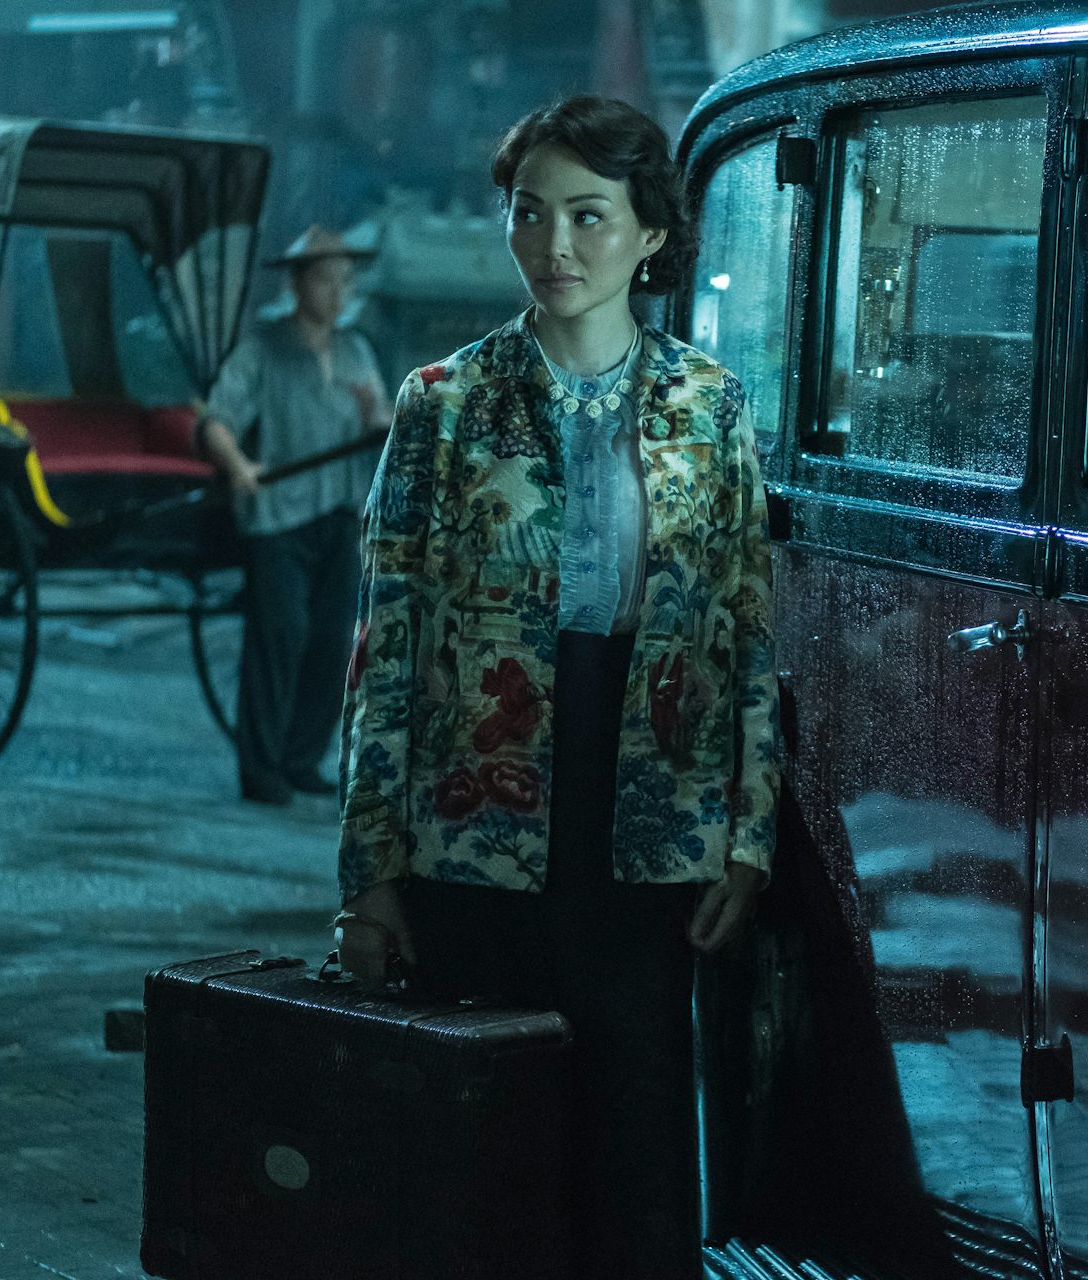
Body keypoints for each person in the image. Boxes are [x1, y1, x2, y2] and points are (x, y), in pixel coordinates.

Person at [333, 96, 780, 1278]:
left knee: (637, 1156)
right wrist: (370, 874)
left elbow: (744, 632)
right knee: (485, 1152)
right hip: (476, 825)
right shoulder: (444, 403)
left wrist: (747, 835)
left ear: (650, 236)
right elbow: (386, 648)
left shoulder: (711, 406)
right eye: (531, 213)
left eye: (590, 215)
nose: (555, 245)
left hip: (650, 827)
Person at [198, 226, 390, 804]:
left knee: (333, 641)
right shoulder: (263, 346)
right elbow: (216, 421)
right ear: (299, 283)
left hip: (341, 510)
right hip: (279, 513)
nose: (340, 292)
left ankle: (300, 758)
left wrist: (377, 417)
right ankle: (260, 771)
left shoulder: (356, 349)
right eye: (328, 279)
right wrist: (239, 469)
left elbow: (381, 417)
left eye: (346, 280)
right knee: (279, 637)